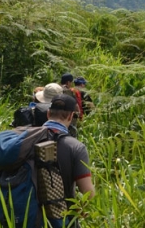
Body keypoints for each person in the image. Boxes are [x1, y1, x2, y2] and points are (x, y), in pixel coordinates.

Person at [44, 94, 95, 225]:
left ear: (48, 113)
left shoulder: (28, 139)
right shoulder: (75, 147)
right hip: (61, 219)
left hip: (27, 218)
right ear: (71, 116)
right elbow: (88, 194)